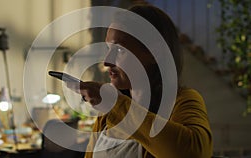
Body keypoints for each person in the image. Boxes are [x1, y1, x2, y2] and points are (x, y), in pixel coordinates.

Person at [68, 4, 213, 158]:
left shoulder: (183, 101)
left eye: (119, 50)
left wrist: (115, 104)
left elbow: (194, 153)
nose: (107, 61)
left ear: (153, 53)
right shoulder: (106, 116)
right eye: (108, 48)